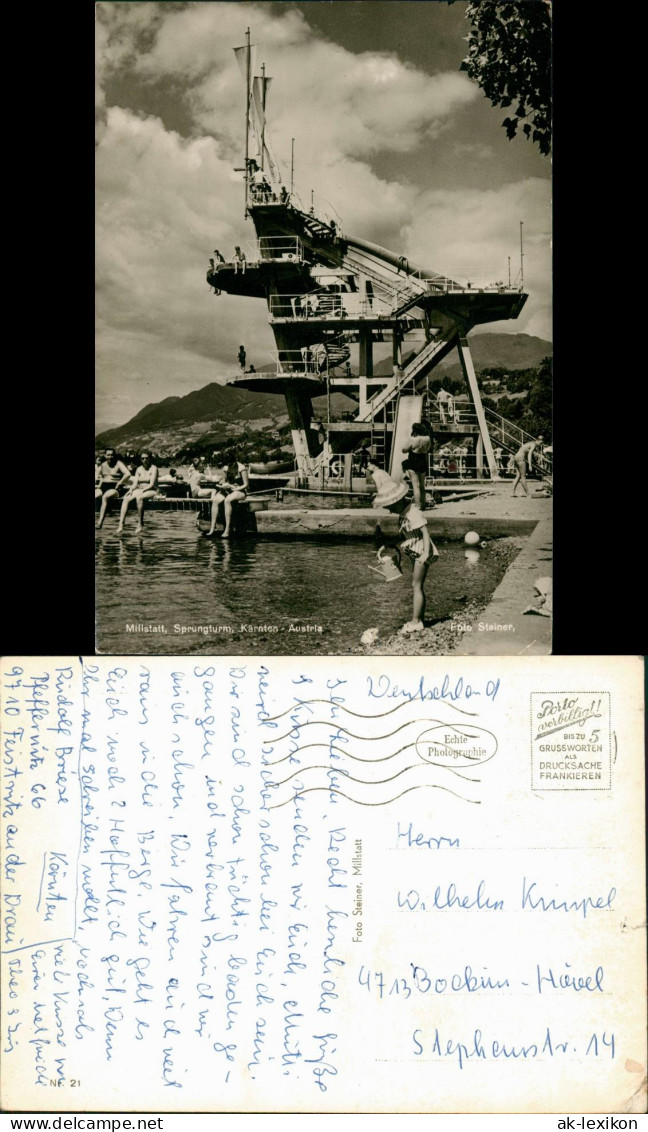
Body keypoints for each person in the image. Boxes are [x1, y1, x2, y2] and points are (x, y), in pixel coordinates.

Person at [370, 466, 439, 634]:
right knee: (416, 585)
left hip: (422, 550)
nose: (389, 509)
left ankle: (416, 621)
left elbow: (425, 532)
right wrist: (391, 545)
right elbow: (408, 534)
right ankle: (419, 619)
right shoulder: (403, 514)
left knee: (416, 585)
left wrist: (425, 554)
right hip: (416, 550)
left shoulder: (413, 512)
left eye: (390, 506)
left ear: (398, 501)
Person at [116, 452, 159, 534]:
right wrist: (130, 490)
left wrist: (142, 491)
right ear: (140, 459)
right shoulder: (139, 469)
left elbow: (151, 484)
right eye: (143, 458)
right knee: (126, 498)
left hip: (152, 490)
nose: (145, 460)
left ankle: (140, 523)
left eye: (146, 458)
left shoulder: (154, 468)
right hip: (140, 489)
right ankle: (121, 524)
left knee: (140, 498)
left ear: (150, 458)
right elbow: (135, 483)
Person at [188, 456, 227, 537]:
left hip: (193, 492)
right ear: (199, 466)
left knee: (210, 492)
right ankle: (213, 504)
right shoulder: (199, 474)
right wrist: (212, 473)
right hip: (197, 492)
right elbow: (211, 479)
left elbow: (191, 469)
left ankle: (207, 513)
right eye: (202, 465)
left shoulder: (192, 473)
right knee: (214, 490)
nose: (203, 466)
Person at [401, 421, 433, 508]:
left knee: (416, 485)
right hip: (423, 461)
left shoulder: (413, 439)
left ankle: (418, 505)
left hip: (413, 461)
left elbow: (404, 450)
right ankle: (423, 505)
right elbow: (428, 448)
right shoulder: (427, 438)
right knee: (422, 486)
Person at [96, 447, 130, 528]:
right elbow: (100, 476)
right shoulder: (103, 465)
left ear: (114, 455)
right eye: (108, 455)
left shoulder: (118, 463)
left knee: (105, 497)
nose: (110, 457)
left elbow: (128, 474)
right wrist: (99, 485)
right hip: (104, 486)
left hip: (115, 487)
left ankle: (99, 523)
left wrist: (120, 482)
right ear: (105, 455)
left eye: (112, 455)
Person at [220, 453, 250, 538]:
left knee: (227, 500)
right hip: (230, 489)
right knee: (217, 499)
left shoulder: (242, 468)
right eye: (228, 464)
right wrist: (224, 485)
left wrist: (235, 488)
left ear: (235, 461)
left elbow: (246, 484)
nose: (229, 465)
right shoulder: (226, 468)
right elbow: (224, 481)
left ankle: (227, 528)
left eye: (231, 464)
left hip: (240, 491)